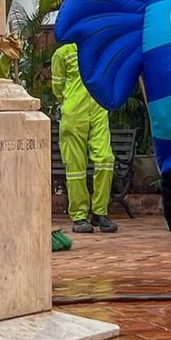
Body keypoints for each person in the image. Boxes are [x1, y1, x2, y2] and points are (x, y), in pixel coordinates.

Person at [51, 42, 118, 234]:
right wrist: (72, 103)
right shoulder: (62, 54)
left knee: (105, 159)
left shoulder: (100, 50)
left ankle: (100, 213)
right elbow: (58, 88)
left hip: (98, 110)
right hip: (74, 115)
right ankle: (79, 216)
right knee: (75, 168)